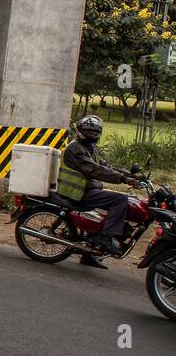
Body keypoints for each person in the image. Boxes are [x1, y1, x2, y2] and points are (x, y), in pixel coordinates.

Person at [57, 114, 141, 267]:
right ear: (81, 131)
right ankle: (105, 237)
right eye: (89, 131)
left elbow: (106, 166)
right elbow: (95, 170)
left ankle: (89, 255)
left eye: (95, 132)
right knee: (120, 200)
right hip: (77, 192)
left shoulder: (90, 148)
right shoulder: (75, 149)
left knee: (109, 211)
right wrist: (122, 179)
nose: (92, 134)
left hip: (86, 190)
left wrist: (129, 174)